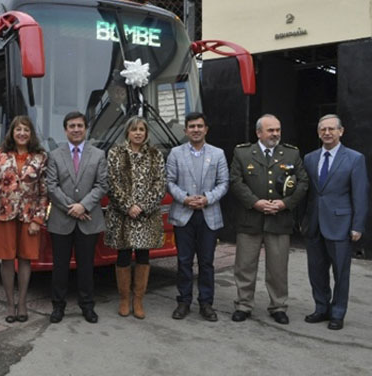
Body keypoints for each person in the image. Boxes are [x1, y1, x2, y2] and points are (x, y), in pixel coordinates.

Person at [229, 114, 308, 324]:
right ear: (258, 133)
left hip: (279, 220)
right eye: (270, 130)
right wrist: (255, 202)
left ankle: (278, 306)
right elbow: (236, 181)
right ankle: (244, 305)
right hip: (250, 218)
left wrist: (285, 204)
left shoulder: (291, 154)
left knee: (278, 268)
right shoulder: (243, 153)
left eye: (277, 130)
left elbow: (303, 183)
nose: (275, 134)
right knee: (245, 265)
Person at [303, 114, 368, 330]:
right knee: (316, 271)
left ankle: (338, 313)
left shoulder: (354, 158)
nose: (327, 133)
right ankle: (321, 308)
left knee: (341, 273)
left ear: (341, 131)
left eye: (332, 129)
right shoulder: (310, 158)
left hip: (341, 225)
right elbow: (308, 193)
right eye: (323, 129)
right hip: (314, 225)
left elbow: (360, 194)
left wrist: (357, 225)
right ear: (318, 132)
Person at [46, 111, 108, 324]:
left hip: (88, 219)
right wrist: (71, 208)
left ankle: (87, 306)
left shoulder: (98, 155)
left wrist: (84, 206)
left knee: (86, 267)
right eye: (71, 126)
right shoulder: (54, 155)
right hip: (61, 219)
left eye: (79, 125)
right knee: (60, 267)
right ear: (65, 130)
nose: (75, 129)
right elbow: (51, 186)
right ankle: (58, 306)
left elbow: (102, 185)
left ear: (85, 128)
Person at [166, 112, 229, 322]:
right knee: (184, 261)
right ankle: (183, 301)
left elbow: (224, 183)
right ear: (185, 130)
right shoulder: (175, 153)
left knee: (207, 262)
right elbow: (170, 182)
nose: (196, 130)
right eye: (191, 126)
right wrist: (184, 199)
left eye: (199, 126)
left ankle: (206, 303)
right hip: (184, 214)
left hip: (208, 214)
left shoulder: (218, 154)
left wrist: (207, 198)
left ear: (206, 129)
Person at [0, 115, 48, 323]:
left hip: (29, 217)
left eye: (26, 130)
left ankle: (22, 303)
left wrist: (38, 220)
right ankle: (9, 304)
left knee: (25, 259)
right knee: (6, 260)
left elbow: (44, 192)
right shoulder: (0, 154)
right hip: (3, 216)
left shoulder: (40, 157)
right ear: (12, 133)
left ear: (31, 134)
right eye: (18, 130)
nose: (22, 133)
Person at [105, 115, 165, 320]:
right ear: (127, 132)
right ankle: (124, 299)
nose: (138, 133)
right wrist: (128, 206)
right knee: (123, 256)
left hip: (145, 217)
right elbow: (111, 182)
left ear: (146, 133)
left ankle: (138, 300)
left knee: (143, 256)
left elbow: (160, 184)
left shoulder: (155, 154)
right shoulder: (116, 153)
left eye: (142, 129)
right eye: (134, 129)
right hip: (122, 216)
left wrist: (142, 206)